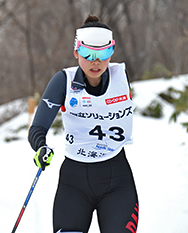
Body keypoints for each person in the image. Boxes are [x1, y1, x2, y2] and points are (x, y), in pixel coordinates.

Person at [28, 15, 139, 233]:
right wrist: (41, 147)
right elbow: (37, 128)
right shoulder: (63, 81)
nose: (95, 61)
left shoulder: (122, 76)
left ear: (112, 52)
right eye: (88, 54)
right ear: (76, 52)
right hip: (74, 183)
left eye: (103, 53)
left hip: (117, 180)